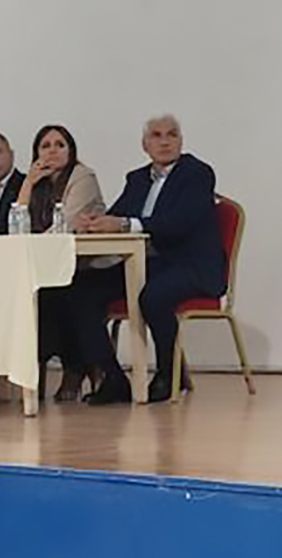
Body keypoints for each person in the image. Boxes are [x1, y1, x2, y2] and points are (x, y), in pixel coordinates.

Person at [78, 114, 227, 405]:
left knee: (154, 296)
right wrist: (95, 222)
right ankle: (113, 378)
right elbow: (119, 214)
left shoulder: (197, 174)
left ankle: (168, 375)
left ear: (181, 141)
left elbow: (178, 223)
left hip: (192, 265)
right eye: (156, 136)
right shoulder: (137, 179)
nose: (165, 142)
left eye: (172, 135)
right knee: (80, 291)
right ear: (144, 144)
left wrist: (124, 224)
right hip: (147, 266)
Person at [16, 124, 116, 402]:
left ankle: (81, 368)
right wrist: (28, 184)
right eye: (45, 146)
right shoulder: (38, 184)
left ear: (71, 150)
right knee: (38, 294)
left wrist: (35, 245)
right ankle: (73, 366)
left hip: (93, 266)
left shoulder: (83, 177)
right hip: (55, 266)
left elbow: (66, 224)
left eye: (60, 145)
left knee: (63, 293)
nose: (53, 151)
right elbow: (18, 223)